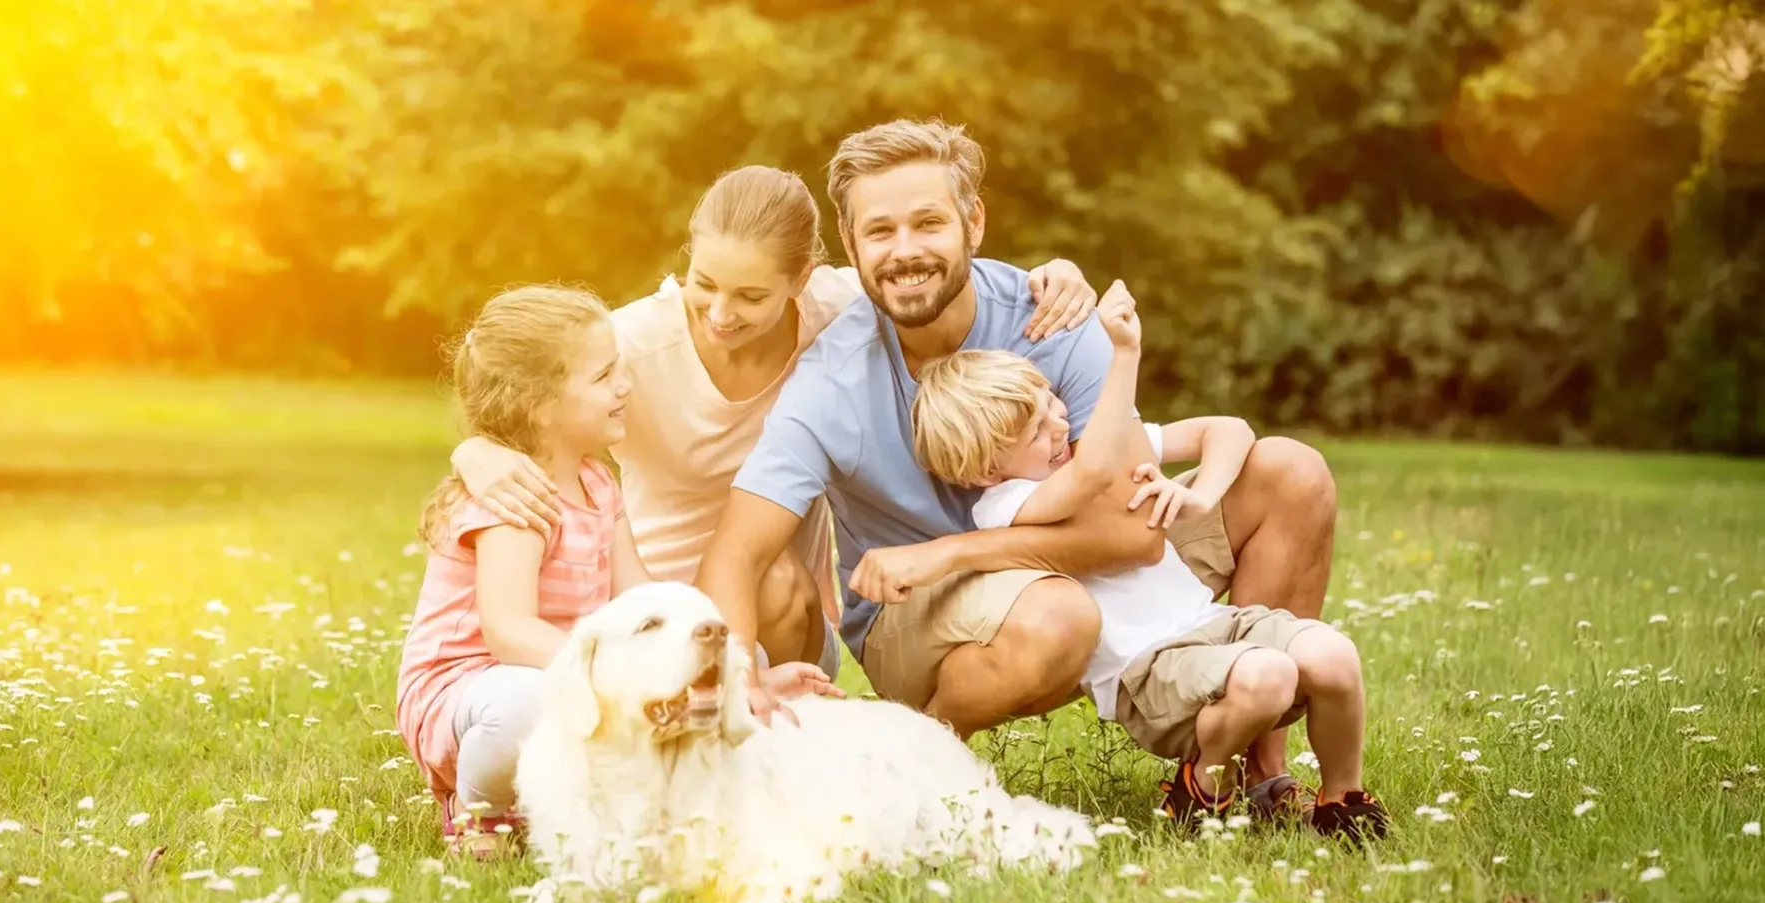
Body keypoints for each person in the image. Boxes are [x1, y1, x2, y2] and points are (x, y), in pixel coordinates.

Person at [694, 119, 1338, 816]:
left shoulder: (1053, 320)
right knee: (1057, 615)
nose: (905, 251)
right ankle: (920, 765)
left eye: (928, 223)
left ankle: (1256, 772)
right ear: (850, 246)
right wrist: (738, 680)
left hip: (1068, 567)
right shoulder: (832, 380)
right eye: (879, 232)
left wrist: (953, 551)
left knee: (1290, 474)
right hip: (924, 614)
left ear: (973, 222)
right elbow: (735, 555)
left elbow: (1135, 537)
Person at [446, 166, 1098, 710]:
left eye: (751, 296)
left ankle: (773, 738)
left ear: (801, 279)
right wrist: (473, 450)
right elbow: (518, 387)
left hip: (781, 614)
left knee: (775, 578)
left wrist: (1054, 275)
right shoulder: (630, 346)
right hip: (647, 600)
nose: (720, 313)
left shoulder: (838, 311)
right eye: (704, 284)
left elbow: (933, 274)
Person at [908, 280, 1389, 839]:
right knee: (1269, 675)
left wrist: (1199, 495)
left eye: (1053, 403)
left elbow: (1229, 430)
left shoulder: (1080, 448)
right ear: (985, 470)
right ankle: (1200, 790)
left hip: (1215, 624)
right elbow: (1088, 476)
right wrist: (1122, 354)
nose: (1061, 425)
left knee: (1335, 657)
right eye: (1037, 431)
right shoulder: (1005, 505)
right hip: (1148, 669)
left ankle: (1342, 803)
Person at [395, 283, 835, 858]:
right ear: (539, 404)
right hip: (470, 690)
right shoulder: (515, 499)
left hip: (559, 670)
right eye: (604, 377)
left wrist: (737, 675)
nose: (625, 385)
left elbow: (643, 598)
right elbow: (508, 632)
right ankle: (480, 813)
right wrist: (614, 674)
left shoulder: (597, 482)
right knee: (531, 704)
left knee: (723, 652)